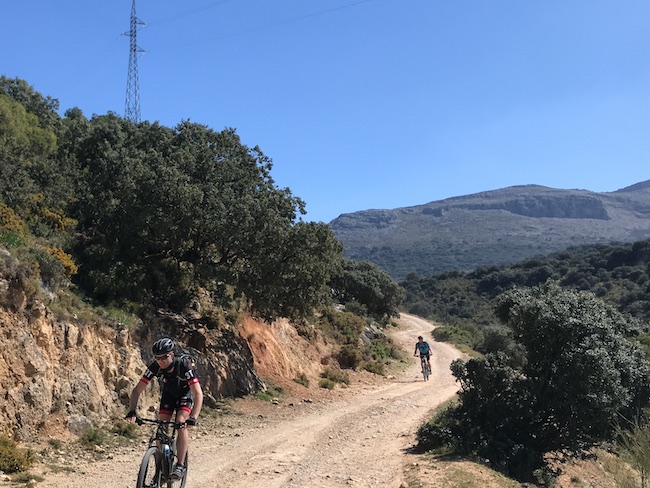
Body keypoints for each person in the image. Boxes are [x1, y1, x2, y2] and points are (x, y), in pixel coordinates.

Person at [126, 338, 203, 480]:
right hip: (169, 395)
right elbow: (137, 390)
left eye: (164, 357)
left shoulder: (184, 365)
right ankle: (160, 469)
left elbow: (198, 394)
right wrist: (132, 411)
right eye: (157, 358)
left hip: (185, 395)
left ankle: (180, 465)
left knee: (181, 422)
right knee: (161, 427)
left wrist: (194, 417)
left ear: (172, 355)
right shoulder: (155, 367)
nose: (161, 361)